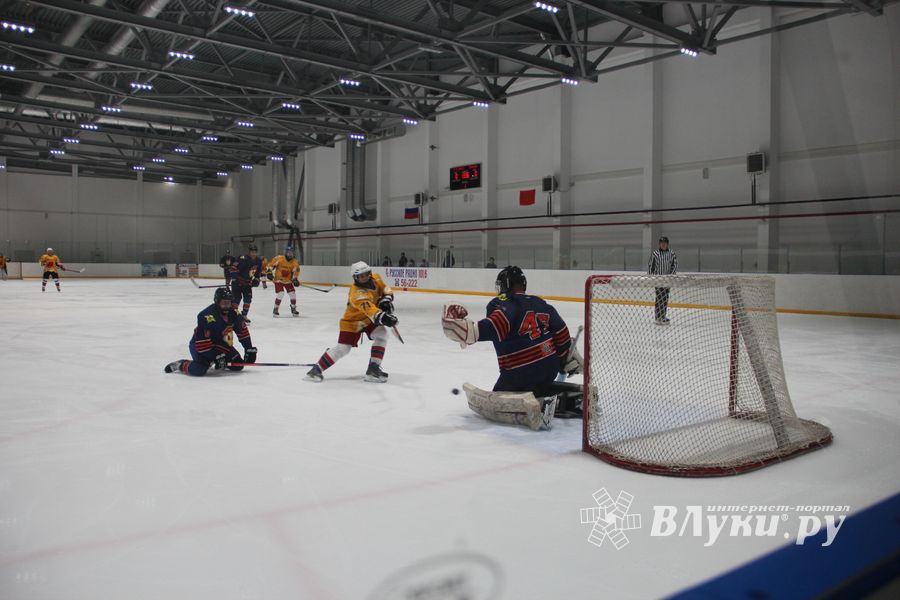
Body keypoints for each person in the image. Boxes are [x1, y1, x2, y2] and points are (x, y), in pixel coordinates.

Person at [441, 266, 584, 430]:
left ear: (505, 285)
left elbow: (495, 325)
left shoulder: (504, 303)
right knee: (540, 384)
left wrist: (468, 331)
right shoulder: (541, 303)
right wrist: (565, 357)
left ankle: (538, 405)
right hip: (549, 369)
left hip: (519, 372)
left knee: (500, 392)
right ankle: (557, 396)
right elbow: (562, 334)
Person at [305, 261, 397, 383]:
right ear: (355, 277)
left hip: (367, 319)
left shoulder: (376, 278)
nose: (364, 277)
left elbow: (387, 290)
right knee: (343, 349)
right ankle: (315, 370)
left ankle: (373, 370)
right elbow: (370, 310)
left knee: (382, 334)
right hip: (352, 322)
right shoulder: (357, 293)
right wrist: (384, 317)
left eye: (366, 274)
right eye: (360, 276)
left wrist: (385, 301)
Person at [164, 288, 257, 376]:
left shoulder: (234, 314)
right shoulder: (206, 316)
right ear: (217, 302)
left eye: (229, 303)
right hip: (200, 345)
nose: (227, 306)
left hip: (220, 344)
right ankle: (181, 364)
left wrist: (249, 349)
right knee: (199, 369)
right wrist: (215, 356)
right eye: (224, 303)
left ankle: (218, 361)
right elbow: (202, 344)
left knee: (238, 365)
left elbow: (243, 332)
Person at [647, 236, 678, 324]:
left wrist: (671, 276)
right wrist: (652, 277)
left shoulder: (672, 253)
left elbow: (674, 265)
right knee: (659, 298)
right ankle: (658, 317)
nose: (663, 245)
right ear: (659, 244)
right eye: (661, 243)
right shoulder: (655, 254)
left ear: (667, 244)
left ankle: (662, 316)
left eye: (664, 243)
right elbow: (650, 266)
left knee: (665, 298)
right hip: (658, 280)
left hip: (667, 280)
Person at [230, 243, 263, 322]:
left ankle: (244, 315)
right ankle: (233, 315)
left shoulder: (258, 261)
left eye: (255, 251)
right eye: (252, 251)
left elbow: (258, 272)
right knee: (237, 299)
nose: (253, 253)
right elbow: (233, 267)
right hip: (237, 283)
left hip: (247, 284)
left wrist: (257, 279)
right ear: (249, 252)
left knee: (248, 299)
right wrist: (235, 278)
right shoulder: (242, 258)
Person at [266, 245, 300, 317]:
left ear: (293, 253)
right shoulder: (279, 258)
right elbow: (270, 265)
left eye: (291, 252)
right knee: (281, 293)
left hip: (288, 281)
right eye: (288, 252)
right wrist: (269, 272)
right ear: (286, 252)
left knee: (293, 294)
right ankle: (276, 308)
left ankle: (293, 308)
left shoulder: (295, 262)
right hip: (278, 280)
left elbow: (295, 272)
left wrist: (295, 279)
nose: (290, 254)